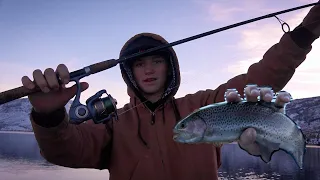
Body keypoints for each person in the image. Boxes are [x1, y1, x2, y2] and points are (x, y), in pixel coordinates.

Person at [21, 3, 320, 180]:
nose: (149, 70)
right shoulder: (114, 124)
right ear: (130, 72)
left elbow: (261, 78)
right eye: (139, 64)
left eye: (156, 61)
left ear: (170, 68)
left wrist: (304, 34)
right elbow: (64, 150)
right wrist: (48, 116)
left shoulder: (203, 105)